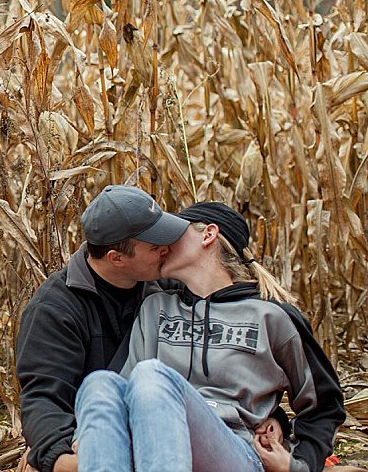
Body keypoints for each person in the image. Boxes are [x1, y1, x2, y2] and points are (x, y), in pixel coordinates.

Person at [73, 202, 346, 472]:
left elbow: (324, 404)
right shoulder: (155, 308)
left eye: (174, 234)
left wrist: (298, 466)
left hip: (234, 451)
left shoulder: (269, 316)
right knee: (98, 384)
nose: (163, 246)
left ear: (208, 235)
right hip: (149, 446)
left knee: (151, 376)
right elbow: (121, 388)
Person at [16, 184, 191, 472]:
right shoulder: (55, 309)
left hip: (166, 430)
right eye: (154, 246)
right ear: (116, 258)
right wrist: (59, 457)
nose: (167, 250)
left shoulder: (170, 285)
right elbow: (44, 398)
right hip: (94, 436)